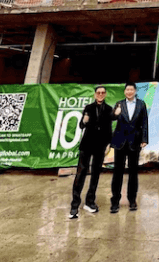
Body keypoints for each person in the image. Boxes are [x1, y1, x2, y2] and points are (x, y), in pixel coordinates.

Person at [69, 85, 113, 219]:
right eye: (98, 92)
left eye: (102, 93)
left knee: (95, 174)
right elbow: (81, 126)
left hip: (100, 146)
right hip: (87, 145)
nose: (100, 94)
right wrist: (84, 121)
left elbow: (109, 129)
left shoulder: (109, 109)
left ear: (105, 95)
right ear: (95, 94)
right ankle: (74, 205)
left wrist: (108, 144)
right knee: (81, 172)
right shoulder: (88, 108)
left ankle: (90, 202)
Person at [110, 81, 149, 214]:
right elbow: (112, 118)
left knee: (133, 173)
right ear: (125, 91)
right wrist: (116, 113)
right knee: (117, 173)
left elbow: (144, 122)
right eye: (127, 90)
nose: (129, 92)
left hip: (134, 142)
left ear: (135, 91)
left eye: (131, 90)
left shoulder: (141, 104)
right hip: (120, 142)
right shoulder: (119, 104)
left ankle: (132, 200)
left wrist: (144, 139)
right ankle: (115, 201)